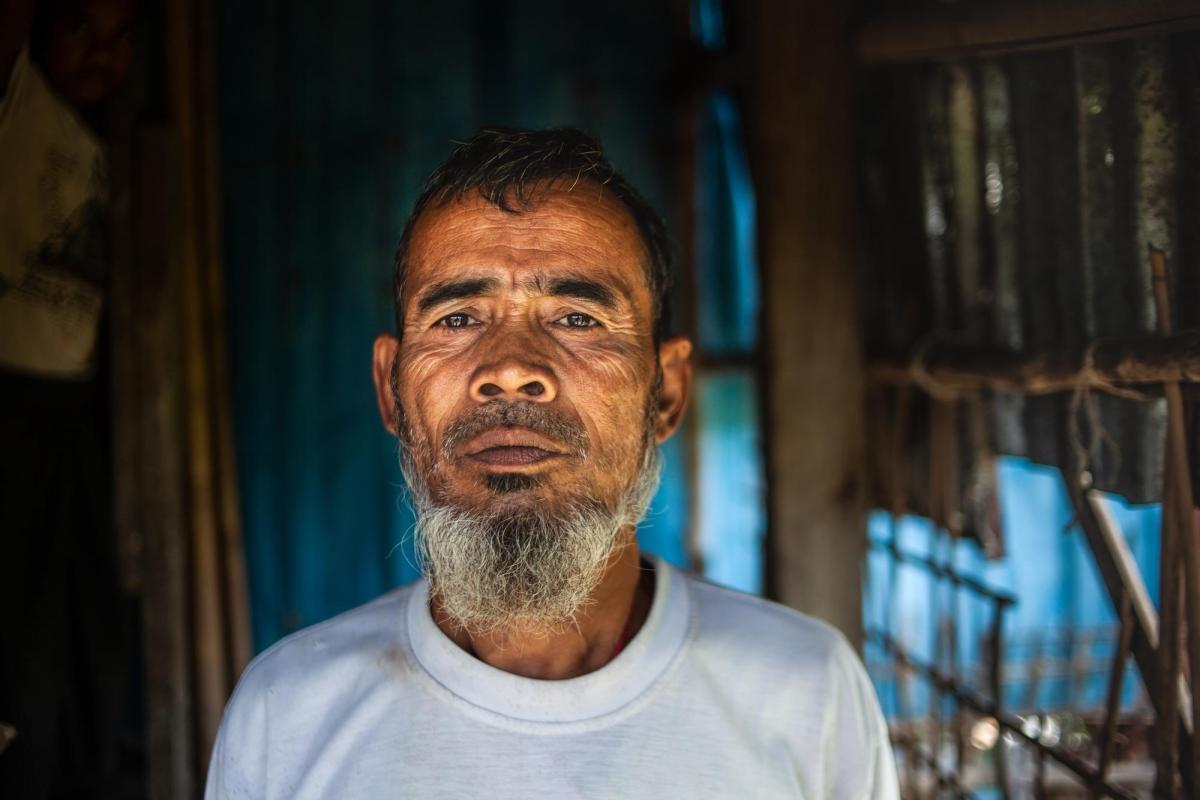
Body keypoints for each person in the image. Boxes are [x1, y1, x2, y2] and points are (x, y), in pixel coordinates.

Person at [205, 127, 898, 798]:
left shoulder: (807, 692)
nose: (510, 370)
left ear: (668, 393)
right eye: (457, 319)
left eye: (576, 318)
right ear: (390, 389)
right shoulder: (286, 716)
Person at [0, 1, 136, 797]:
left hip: (72, 411)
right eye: (80, 26)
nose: (100, 53)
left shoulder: (105, 143)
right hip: (11, 403)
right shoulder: (19, 100)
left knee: (77, 612)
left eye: (120, 39)